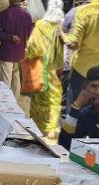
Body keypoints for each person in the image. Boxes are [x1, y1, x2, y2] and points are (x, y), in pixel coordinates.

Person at [63, 0, 99, 110]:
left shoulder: (84, 11)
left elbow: (73, 44)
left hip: (80, 71)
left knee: (75, 108)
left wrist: (62, 34)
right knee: (93, 110)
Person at [25, 0, 65, 138]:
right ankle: (45, 133)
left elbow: (31, 48)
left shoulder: (40, 24)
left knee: (37, 102)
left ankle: (35, 131)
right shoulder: (59, 29)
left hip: (38, 69)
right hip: (51, 72)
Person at [0, 0, 34, 97]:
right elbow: (30, 35)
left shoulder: (4, 14)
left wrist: (10, 37)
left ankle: (6, 99)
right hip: (20, 52)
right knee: (16, 76)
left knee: (6, 78)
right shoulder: (27, 15)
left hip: (7, 51)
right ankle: (15, 100)